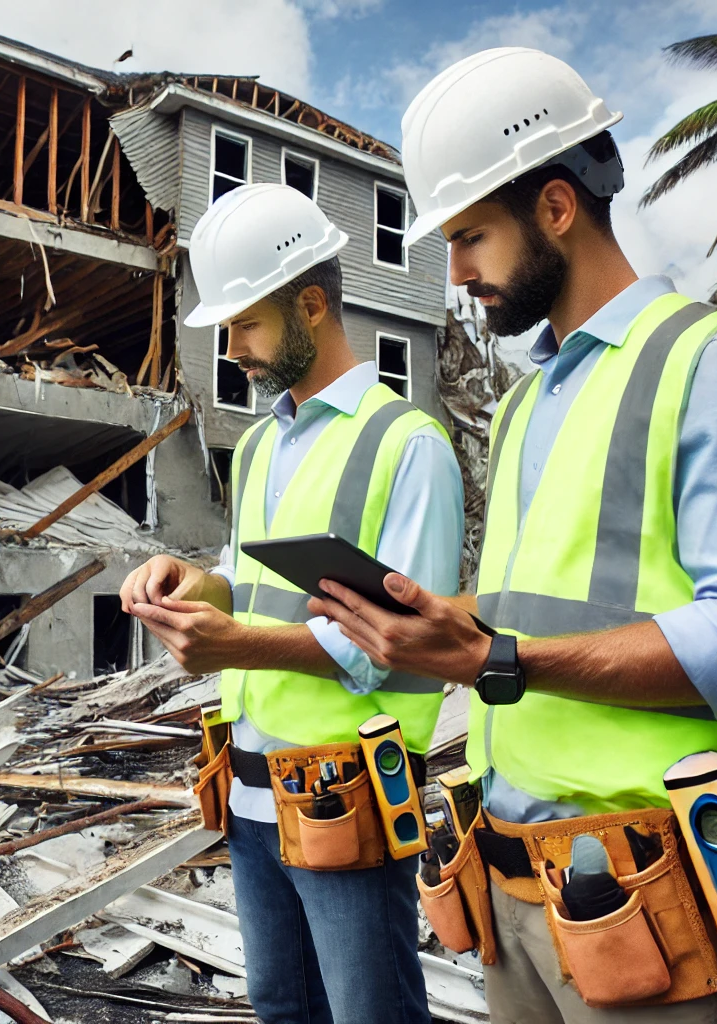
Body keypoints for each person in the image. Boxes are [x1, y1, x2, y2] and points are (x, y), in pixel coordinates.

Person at [308, 48, 717, 1024]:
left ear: (554, 207)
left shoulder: (711, 366)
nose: (454, 273)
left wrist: (494, 659)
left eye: (469, 236)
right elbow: (528, 607)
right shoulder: (529, 400)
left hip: (652, 905)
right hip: (513, 893)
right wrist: (413, 613)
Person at [119, 182, 464, 1024]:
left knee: (367, 1015)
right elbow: (244, 583)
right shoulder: (263, 442)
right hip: (246, 795)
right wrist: (184, 581)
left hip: (343, 798)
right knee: (282, 1010)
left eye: (246, 323)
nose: (231, 345)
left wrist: (232, 644)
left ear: (312, 303)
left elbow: (401, 644)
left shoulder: (408, 446)